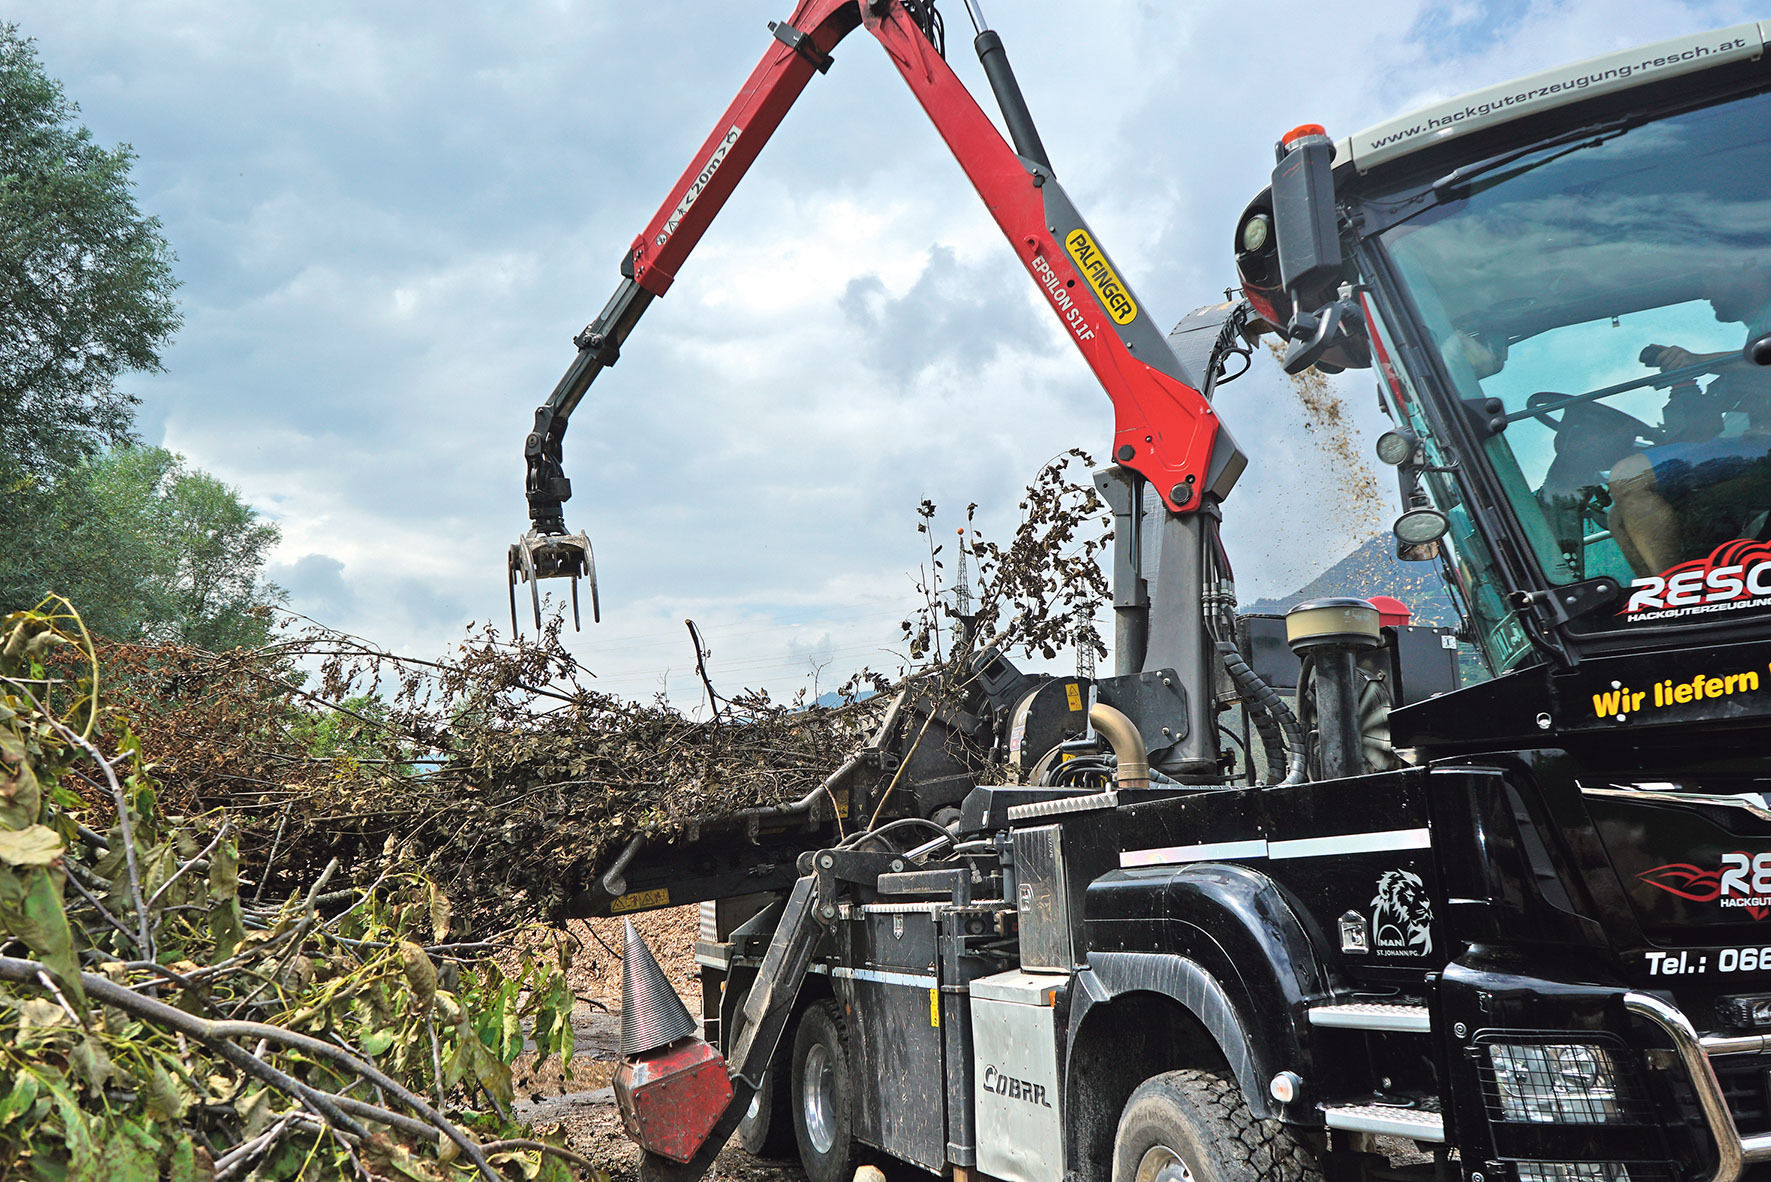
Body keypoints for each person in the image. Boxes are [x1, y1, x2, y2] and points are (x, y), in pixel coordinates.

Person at [1607, 267, 1771, 575]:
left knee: (1628, 476)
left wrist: (1697, 361)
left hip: (1764, 448)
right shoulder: (1759, 327)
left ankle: (1675, 596)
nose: (1706, 291)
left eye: (1711, 277)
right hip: (1754, 445)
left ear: (1748, 268)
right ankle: (1666, 602)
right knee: (1619, 516)